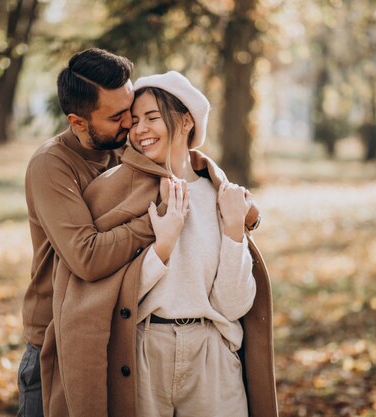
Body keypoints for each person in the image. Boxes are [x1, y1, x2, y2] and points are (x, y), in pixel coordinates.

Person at [77, 71, 278, 417]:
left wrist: (233, 231)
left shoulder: (222, 197)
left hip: (211, 355)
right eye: (135, 121)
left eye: (153, 118)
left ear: (186, 121)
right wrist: (163, 246)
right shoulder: (116, 192)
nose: (140, 130)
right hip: (143, 352)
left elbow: (232, 307)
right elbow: (109, 295)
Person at [17, 48, 161, 417]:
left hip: (116, 333)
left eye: (130, 109)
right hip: (57, 340)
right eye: (116, 117)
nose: (131, 123)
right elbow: (88, 257)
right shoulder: (52, 165)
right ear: (78, 122)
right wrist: (157, 221)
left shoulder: (128, 148)